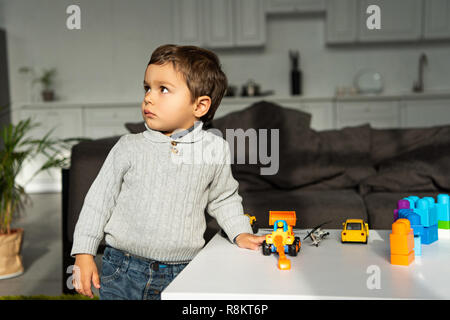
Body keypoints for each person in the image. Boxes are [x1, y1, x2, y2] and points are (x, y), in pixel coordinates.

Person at [71, 44, 266, 300]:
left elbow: (224, 198)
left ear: (200, 106)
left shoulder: (214, 149)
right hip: (122, 269)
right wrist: (84, 254)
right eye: (147, 88)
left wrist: (240, 232)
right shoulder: (128, 147)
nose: (149, 97)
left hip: (184, 270)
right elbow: (98, 202)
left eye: (163, 89)